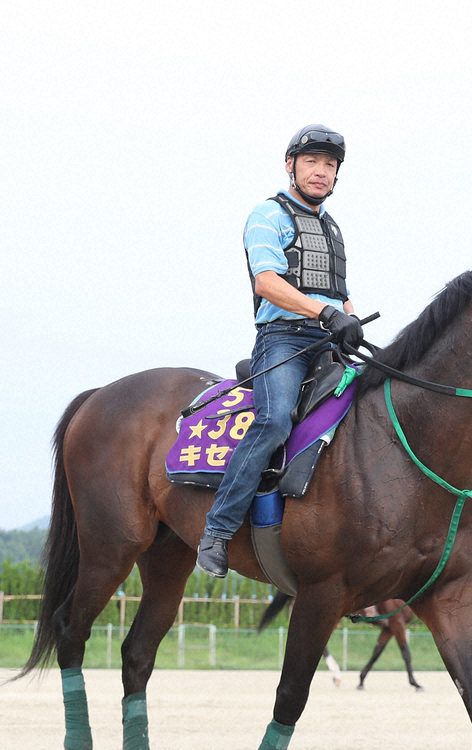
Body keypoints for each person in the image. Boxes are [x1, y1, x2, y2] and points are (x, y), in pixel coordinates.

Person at [196, 124, 365, 578]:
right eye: (312, 162)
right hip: (284, 340)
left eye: (329, 165)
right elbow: (267, 282)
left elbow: (338, 293)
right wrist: (326, 315)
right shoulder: (267, 214)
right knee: (273, 421)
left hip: (331, 342)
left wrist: (349, 323)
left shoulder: (333, 228)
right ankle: (217, 530)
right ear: (291, 165)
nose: (321, 172)